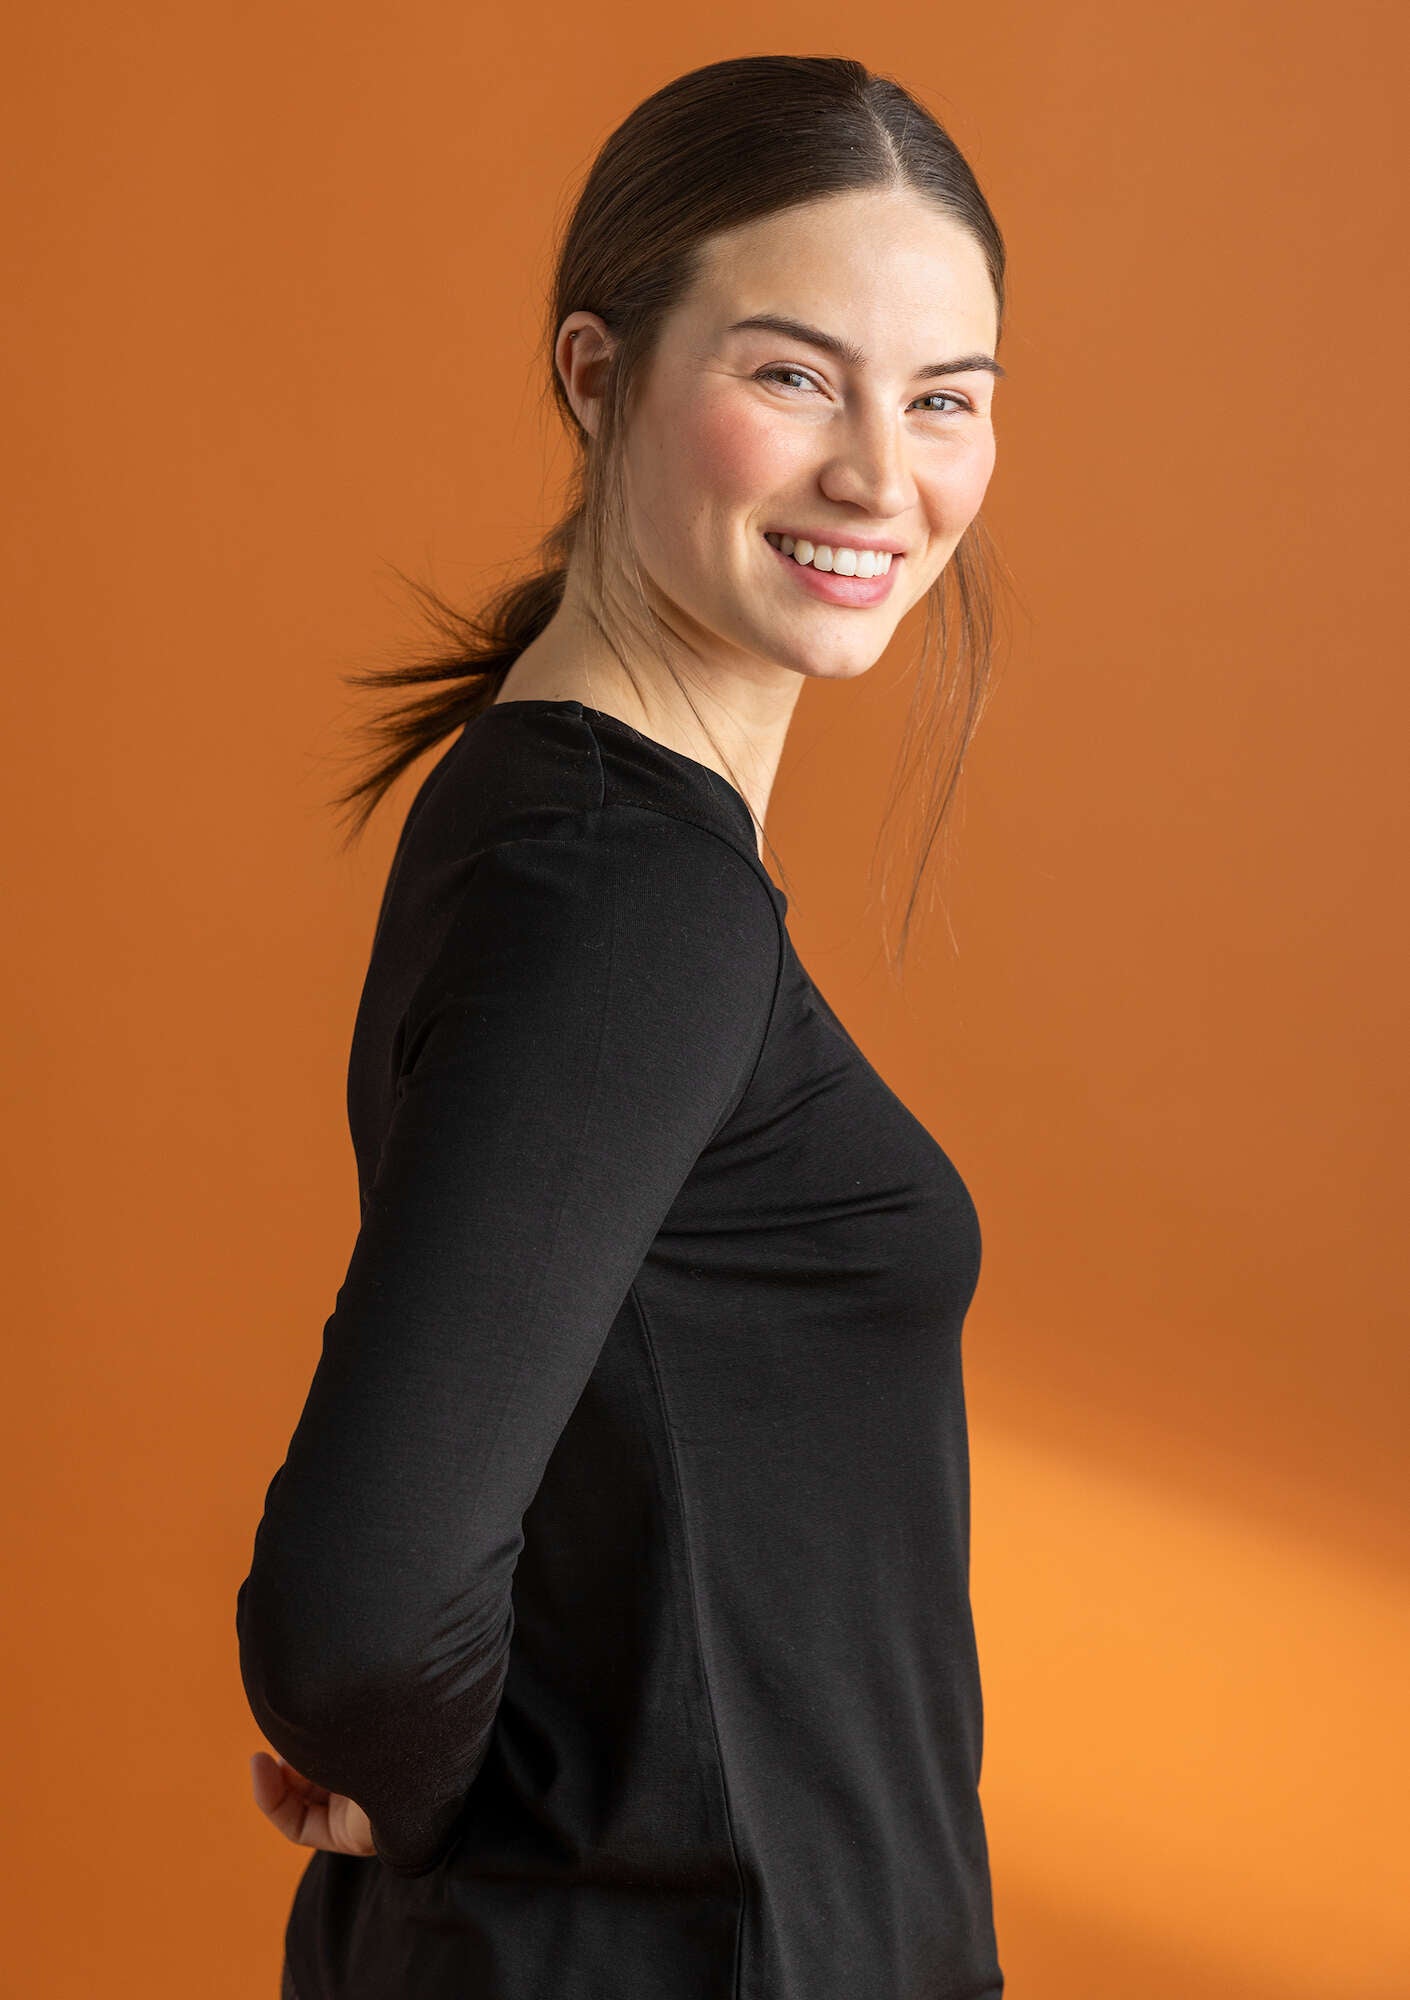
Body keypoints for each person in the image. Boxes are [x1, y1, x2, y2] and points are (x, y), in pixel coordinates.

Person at [236, 51, 1008, 2000]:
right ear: (597, 374)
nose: (882, 476)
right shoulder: (623, 894)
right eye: (793, 376)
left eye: (943, 398)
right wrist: (412, 1767)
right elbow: (356, 1609)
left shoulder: (562, 823)